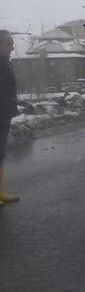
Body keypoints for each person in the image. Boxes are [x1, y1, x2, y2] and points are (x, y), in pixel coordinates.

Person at [0, 30, 19, 205]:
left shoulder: (5, 62)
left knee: (0, 154)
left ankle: (0, 192)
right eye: (9, 43)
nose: (13, 46)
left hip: (4, 113)